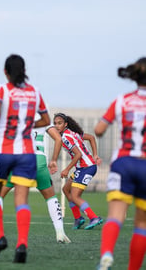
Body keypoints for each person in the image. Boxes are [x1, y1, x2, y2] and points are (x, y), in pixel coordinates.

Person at [0, 54, 50, 263]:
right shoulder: (35, 92)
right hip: (26, 154)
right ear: (24, 70)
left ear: (5, 71)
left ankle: (0, 237)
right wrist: (28, 126)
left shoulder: (2, 89)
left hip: (2, 151)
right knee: (22, 199)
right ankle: (22, 244)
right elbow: (46, 119)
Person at [0, 122, 71, 244]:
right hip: (39, 161)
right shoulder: (42, 118)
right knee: (50, 197)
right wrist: (54, 160)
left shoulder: (16, 118)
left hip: (20, 160)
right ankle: (60, 232)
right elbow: (58, 138)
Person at [95, 57, 146, 270]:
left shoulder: (122, 100)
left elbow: (98, 130)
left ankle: (107, 253)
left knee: (115, 215)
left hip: (123, 162)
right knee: (142, 225)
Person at [53, 113, 103, 230]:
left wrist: (66, 169)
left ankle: (94, 217)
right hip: (82, 167)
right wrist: (94, 155)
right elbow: (91, 137)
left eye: (59, 123)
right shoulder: (73, 133)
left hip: (87, 167)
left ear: (65, 124)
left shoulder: (65, 137)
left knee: (75, 196)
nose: (56, 126)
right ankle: (78, 218)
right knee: (66, 189)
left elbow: (78, 154)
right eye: (55, 123)